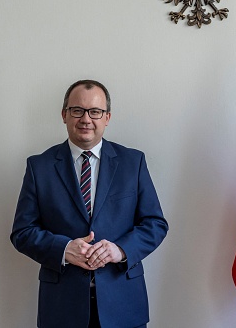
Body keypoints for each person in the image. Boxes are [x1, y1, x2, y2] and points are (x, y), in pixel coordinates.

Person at [11, 79, 168, 328]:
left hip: (123, 304)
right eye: (77, 110)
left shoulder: (132, 162)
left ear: (107, 117)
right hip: (62, 308)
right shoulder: (38, 167)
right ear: (64, 115)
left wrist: (121, 250)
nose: (86, 119)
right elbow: (22, 232)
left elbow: (155, 224)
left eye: (95, 112)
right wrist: (63, 250)